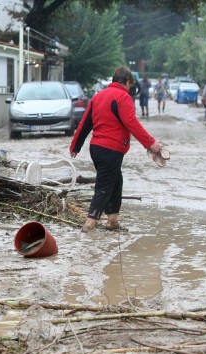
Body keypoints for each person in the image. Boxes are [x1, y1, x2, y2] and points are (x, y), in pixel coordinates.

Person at [69, 66, 161, 233]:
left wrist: (76, 145)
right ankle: (89, 224)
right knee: (104, 186)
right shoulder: (123, 97)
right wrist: (150, 143)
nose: (130, 89)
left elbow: (85, 123)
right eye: (130, 85)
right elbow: (131, 123)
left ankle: (112, 221)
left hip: (96, 148)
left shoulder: (98, 96)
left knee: (116, 181)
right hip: (111, 149)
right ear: (126, 82)